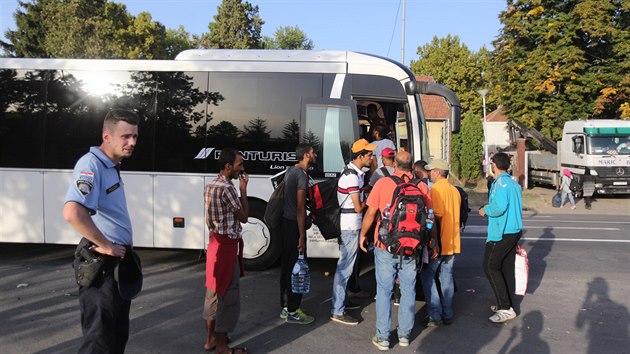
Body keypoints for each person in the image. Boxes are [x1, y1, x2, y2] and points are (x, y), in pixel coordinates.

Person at [63, 109, 140, 353]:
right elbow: (73, 212)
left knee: (116, 336)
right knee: (99, 341)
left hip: (116, 263)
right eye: (125, 136)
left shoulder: (111, 165)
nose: (132, 142)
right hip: (102, 265)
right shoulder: (91, 164)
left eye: (135, 137)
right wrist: (106, 244)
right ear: (106, 136)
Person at [359, 151, 433, 350]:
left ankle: (383, 337)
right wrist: (430, 242)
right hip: (412, 247)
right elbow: (429, 218)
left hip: (385, 245)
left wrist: (363, 234)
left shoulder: (383, 183)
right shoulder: (421, 186)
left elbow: (370, 212)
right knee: (408, 289)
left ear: (394, 164)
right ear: (411, 167)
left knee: (384, 290)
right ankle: (404, 335)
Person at [203, 148, 249, 354]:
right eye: (239, 164)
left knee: (213, 294)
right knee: (227, 297)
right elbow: (244, 216)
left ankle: (211, 340)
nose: (242, 168)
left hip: (214, 245)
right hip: (226, 249)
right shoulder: (228, 188)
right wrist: (244, 189)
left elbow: (208, 219)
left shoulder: (211, 185)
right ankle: (222, 347)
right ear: (228, 166)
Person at [330, 138, 376, 325]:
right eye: (369, 154)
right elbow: (358, 207)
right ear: (360, 156)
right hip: (350, 225)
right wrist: (372, 198)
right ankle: (337, 310)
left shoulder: (354, 174)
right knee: (344, 268)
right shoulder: (351, 176)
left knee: (347, 267)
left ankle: (342, 302)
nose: (372, 157)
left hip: (351, 225)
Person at [479, 152, 523, 323]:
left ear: (494, 165)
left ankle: (505, 307)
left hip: (502, 231)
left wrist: (485, 210)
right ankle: (507, 304)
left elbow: (498, 207)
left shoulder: (500, 183)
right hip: (514, 230)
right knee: (506, 268)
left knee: (490, 266)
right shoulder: (513, 182)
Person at [420, 159, 461, 327]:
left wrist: (430, 240)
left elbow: (435, 216)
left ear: (437, 172)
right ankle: (448, 313)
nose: (428, 174)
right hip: (453, 241)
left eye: (430, 171)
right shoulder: (454, 190)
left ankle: (435, 315)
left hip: (439, 241)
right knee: (447, 276)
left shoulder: (435, 189)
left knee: (428, 275)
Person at [279, 143, 317, 324]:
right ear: (306, 156)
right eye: (312, 152)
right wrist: (302, 236)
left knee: (287, 266)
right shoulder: (301, 175)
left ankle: (286, 307)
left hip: (286, 223)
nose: (315, 154)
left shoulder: (290, 171)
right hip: (295, 225)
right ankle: (293, 311)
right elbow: (300, 209)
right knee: (297, 268)